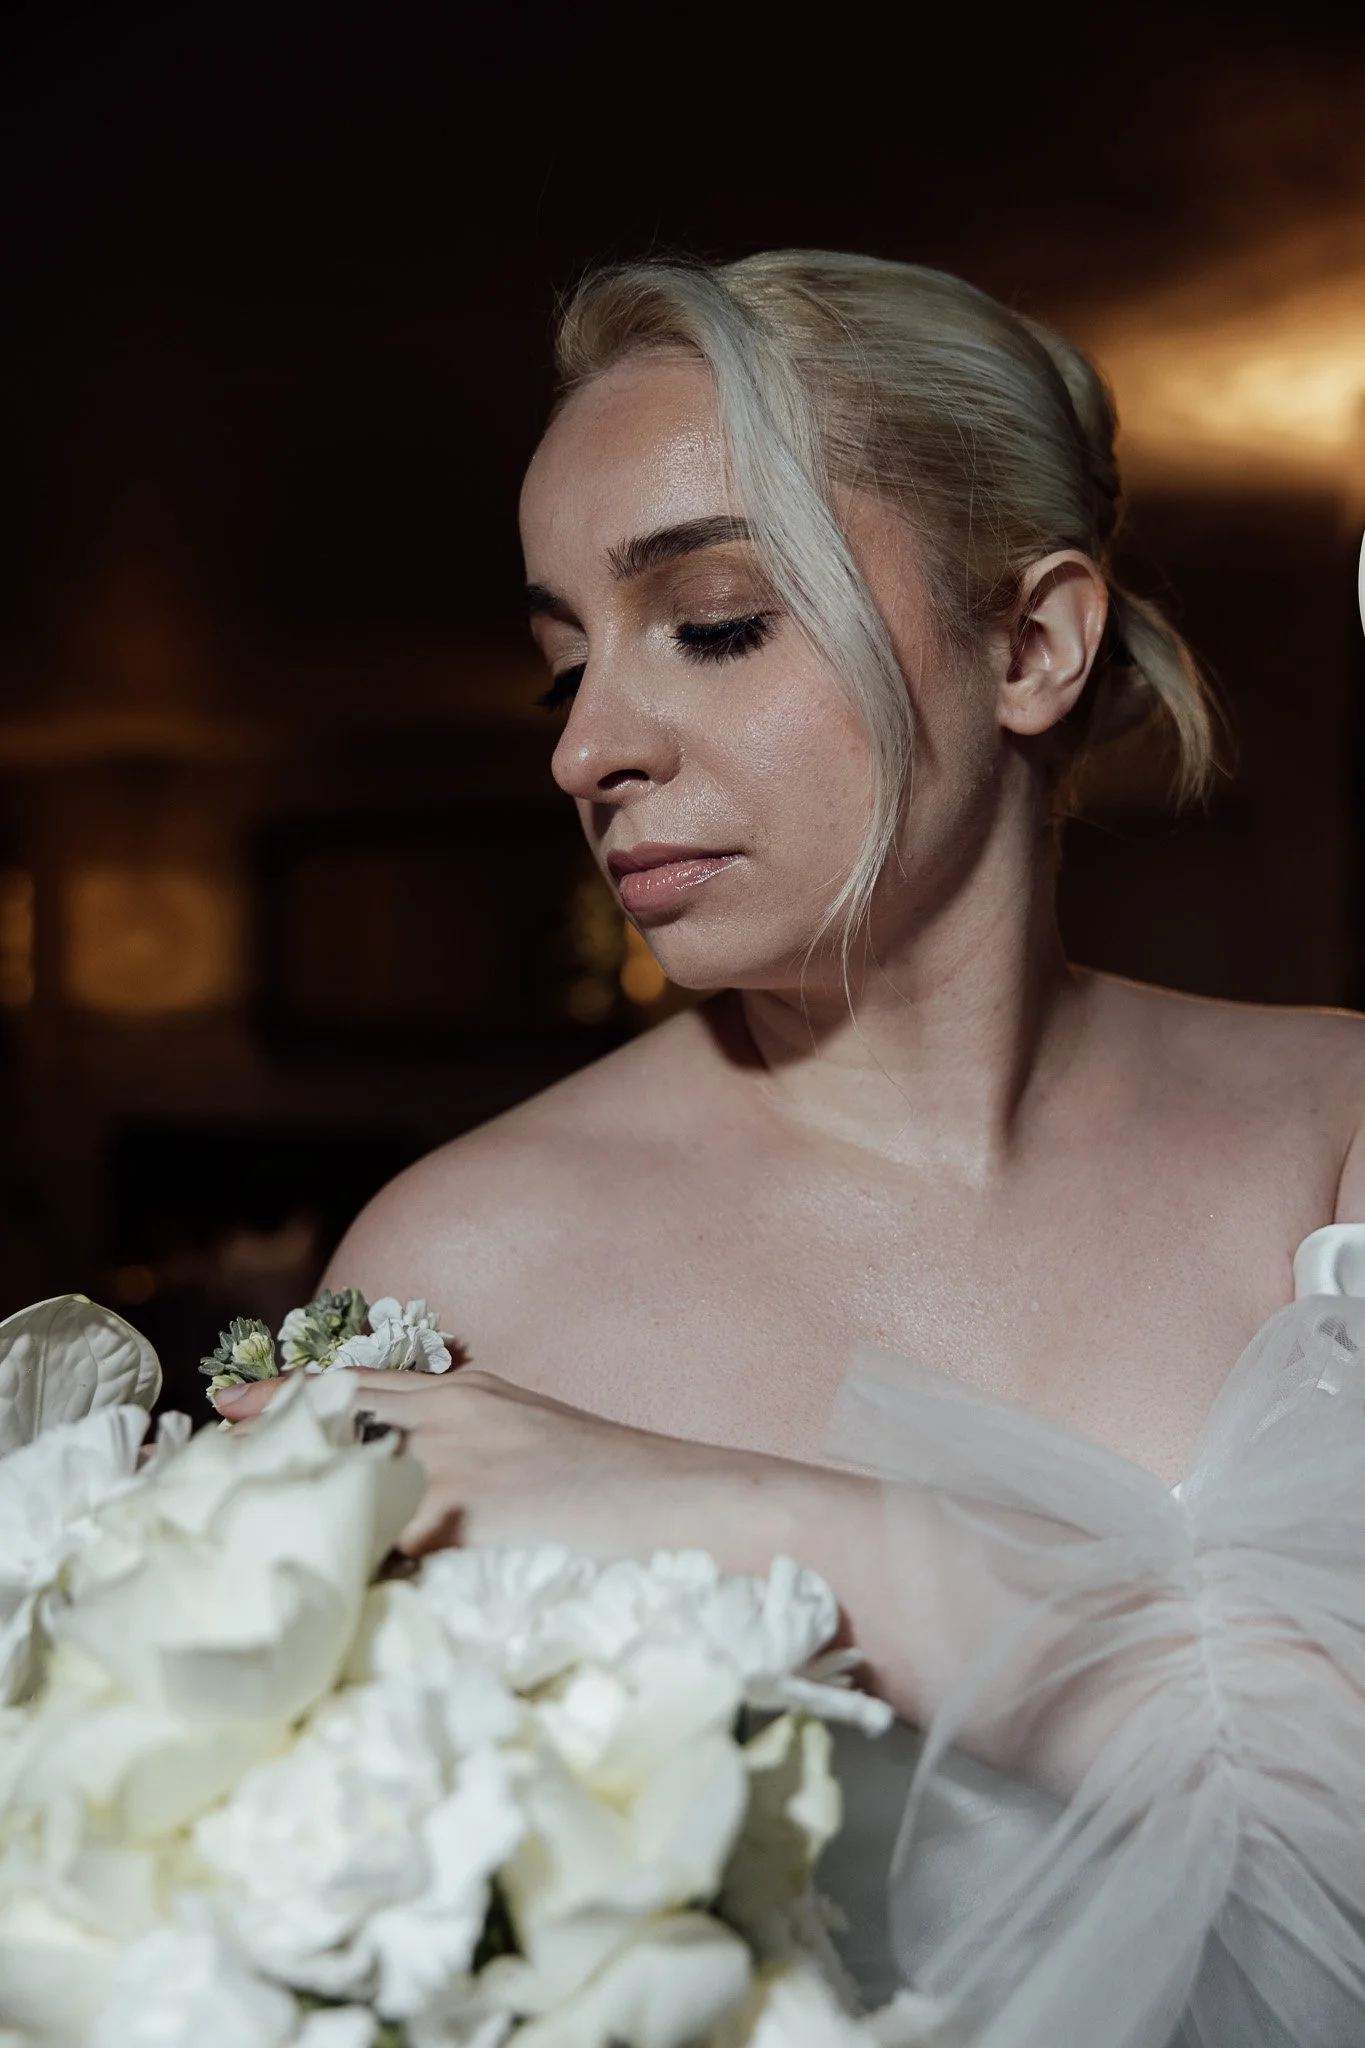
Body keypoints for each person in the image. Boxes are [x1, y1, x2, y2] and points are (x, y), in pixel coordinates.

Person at [217, 254, 1365, 2044]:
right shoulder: (460, 1270)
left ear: (1033, 644)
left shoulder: (1341, 1138)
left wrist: (747, 1515)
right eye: (561, 670)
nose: (588, 748)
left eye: (718, 620)